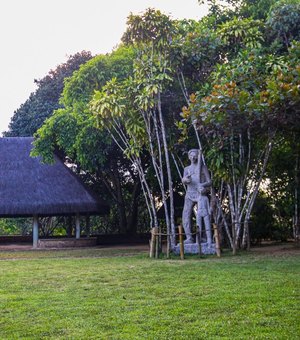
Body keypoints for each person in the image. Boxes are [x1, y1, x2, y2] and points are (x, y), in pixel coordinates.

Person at [182, 149, 211, 244]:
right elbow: (184, 179)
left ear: (198, 156)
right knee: (186, 214)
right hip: (189, 193)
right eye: (191, 156)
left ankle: (203, 237)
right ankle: (189, 237)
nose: (193, 157)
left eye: (195, 156)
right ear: (189, 157)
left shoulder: (202, 167)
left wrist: (202, 185)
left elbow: (210, 181)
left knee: (202, 214)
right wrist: (185, 180)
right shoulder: (187, 169)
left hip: (200, 194)